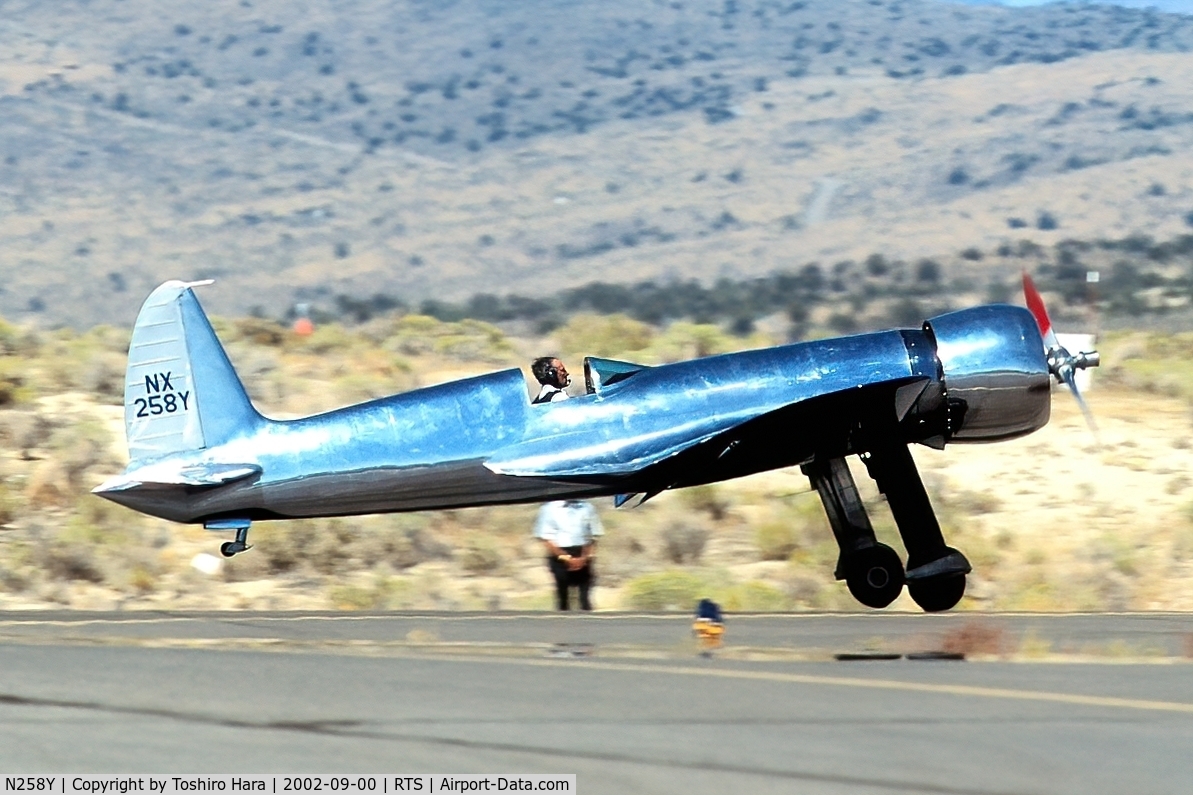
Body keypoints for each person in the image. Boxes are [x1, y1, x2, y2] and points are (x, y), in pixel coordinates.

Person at [534, 499, 603, 611]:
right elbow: (546, 538)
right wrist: (567, 558)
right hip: (559, 554)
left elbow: (593, 535)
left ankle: (589, 624)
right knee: (563, 595)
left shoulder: (586, 507)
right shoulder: (549, 508)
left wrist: (584, 558)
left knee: (585, 597)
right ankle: (563, 624)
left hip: (582, 552)